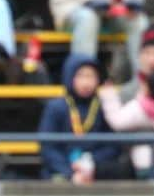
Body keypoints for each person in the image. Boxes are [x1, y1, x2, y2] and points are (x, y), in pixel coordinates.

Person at [38, 53, 123, 183]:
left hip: (97, 170)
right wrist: (69, 172)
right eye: (80, 76)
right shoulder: (56, 107)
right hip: (61, 170)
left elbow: (113, 145)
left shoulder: (103, 106)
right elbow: (48, 147)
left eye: (90, 76)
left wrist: (91, 163)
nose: (86, 82)